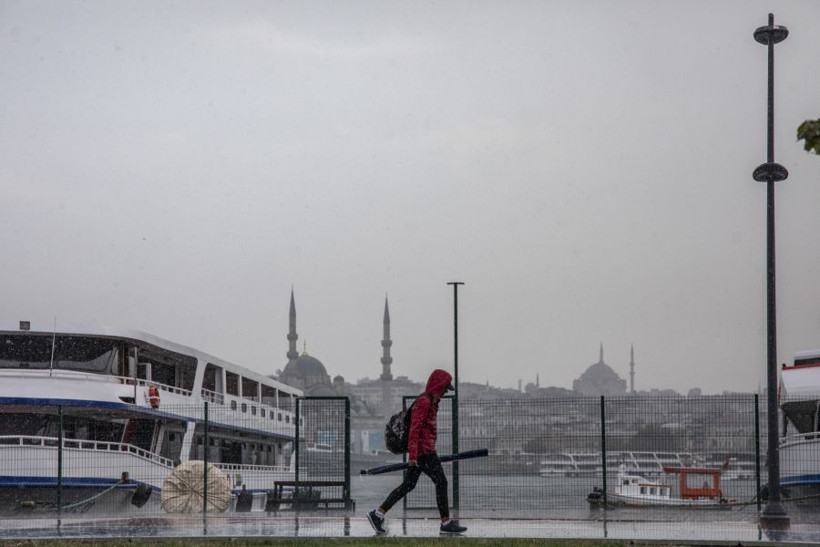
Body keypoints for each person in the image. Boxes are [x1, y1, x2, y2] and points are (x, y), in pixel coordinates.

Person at [367, 369, 467, 535]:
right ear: (437, 386)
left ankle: (378, 514)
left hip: (424, 450)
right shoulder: (424, 402)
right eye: (444, 388)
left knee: (408, 485)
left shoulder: (431, 402)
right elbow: (415, 430)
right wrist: (413, 455)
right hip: (424, 452)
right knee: (441, 482)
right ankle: (446, 523)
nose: (444, 392)